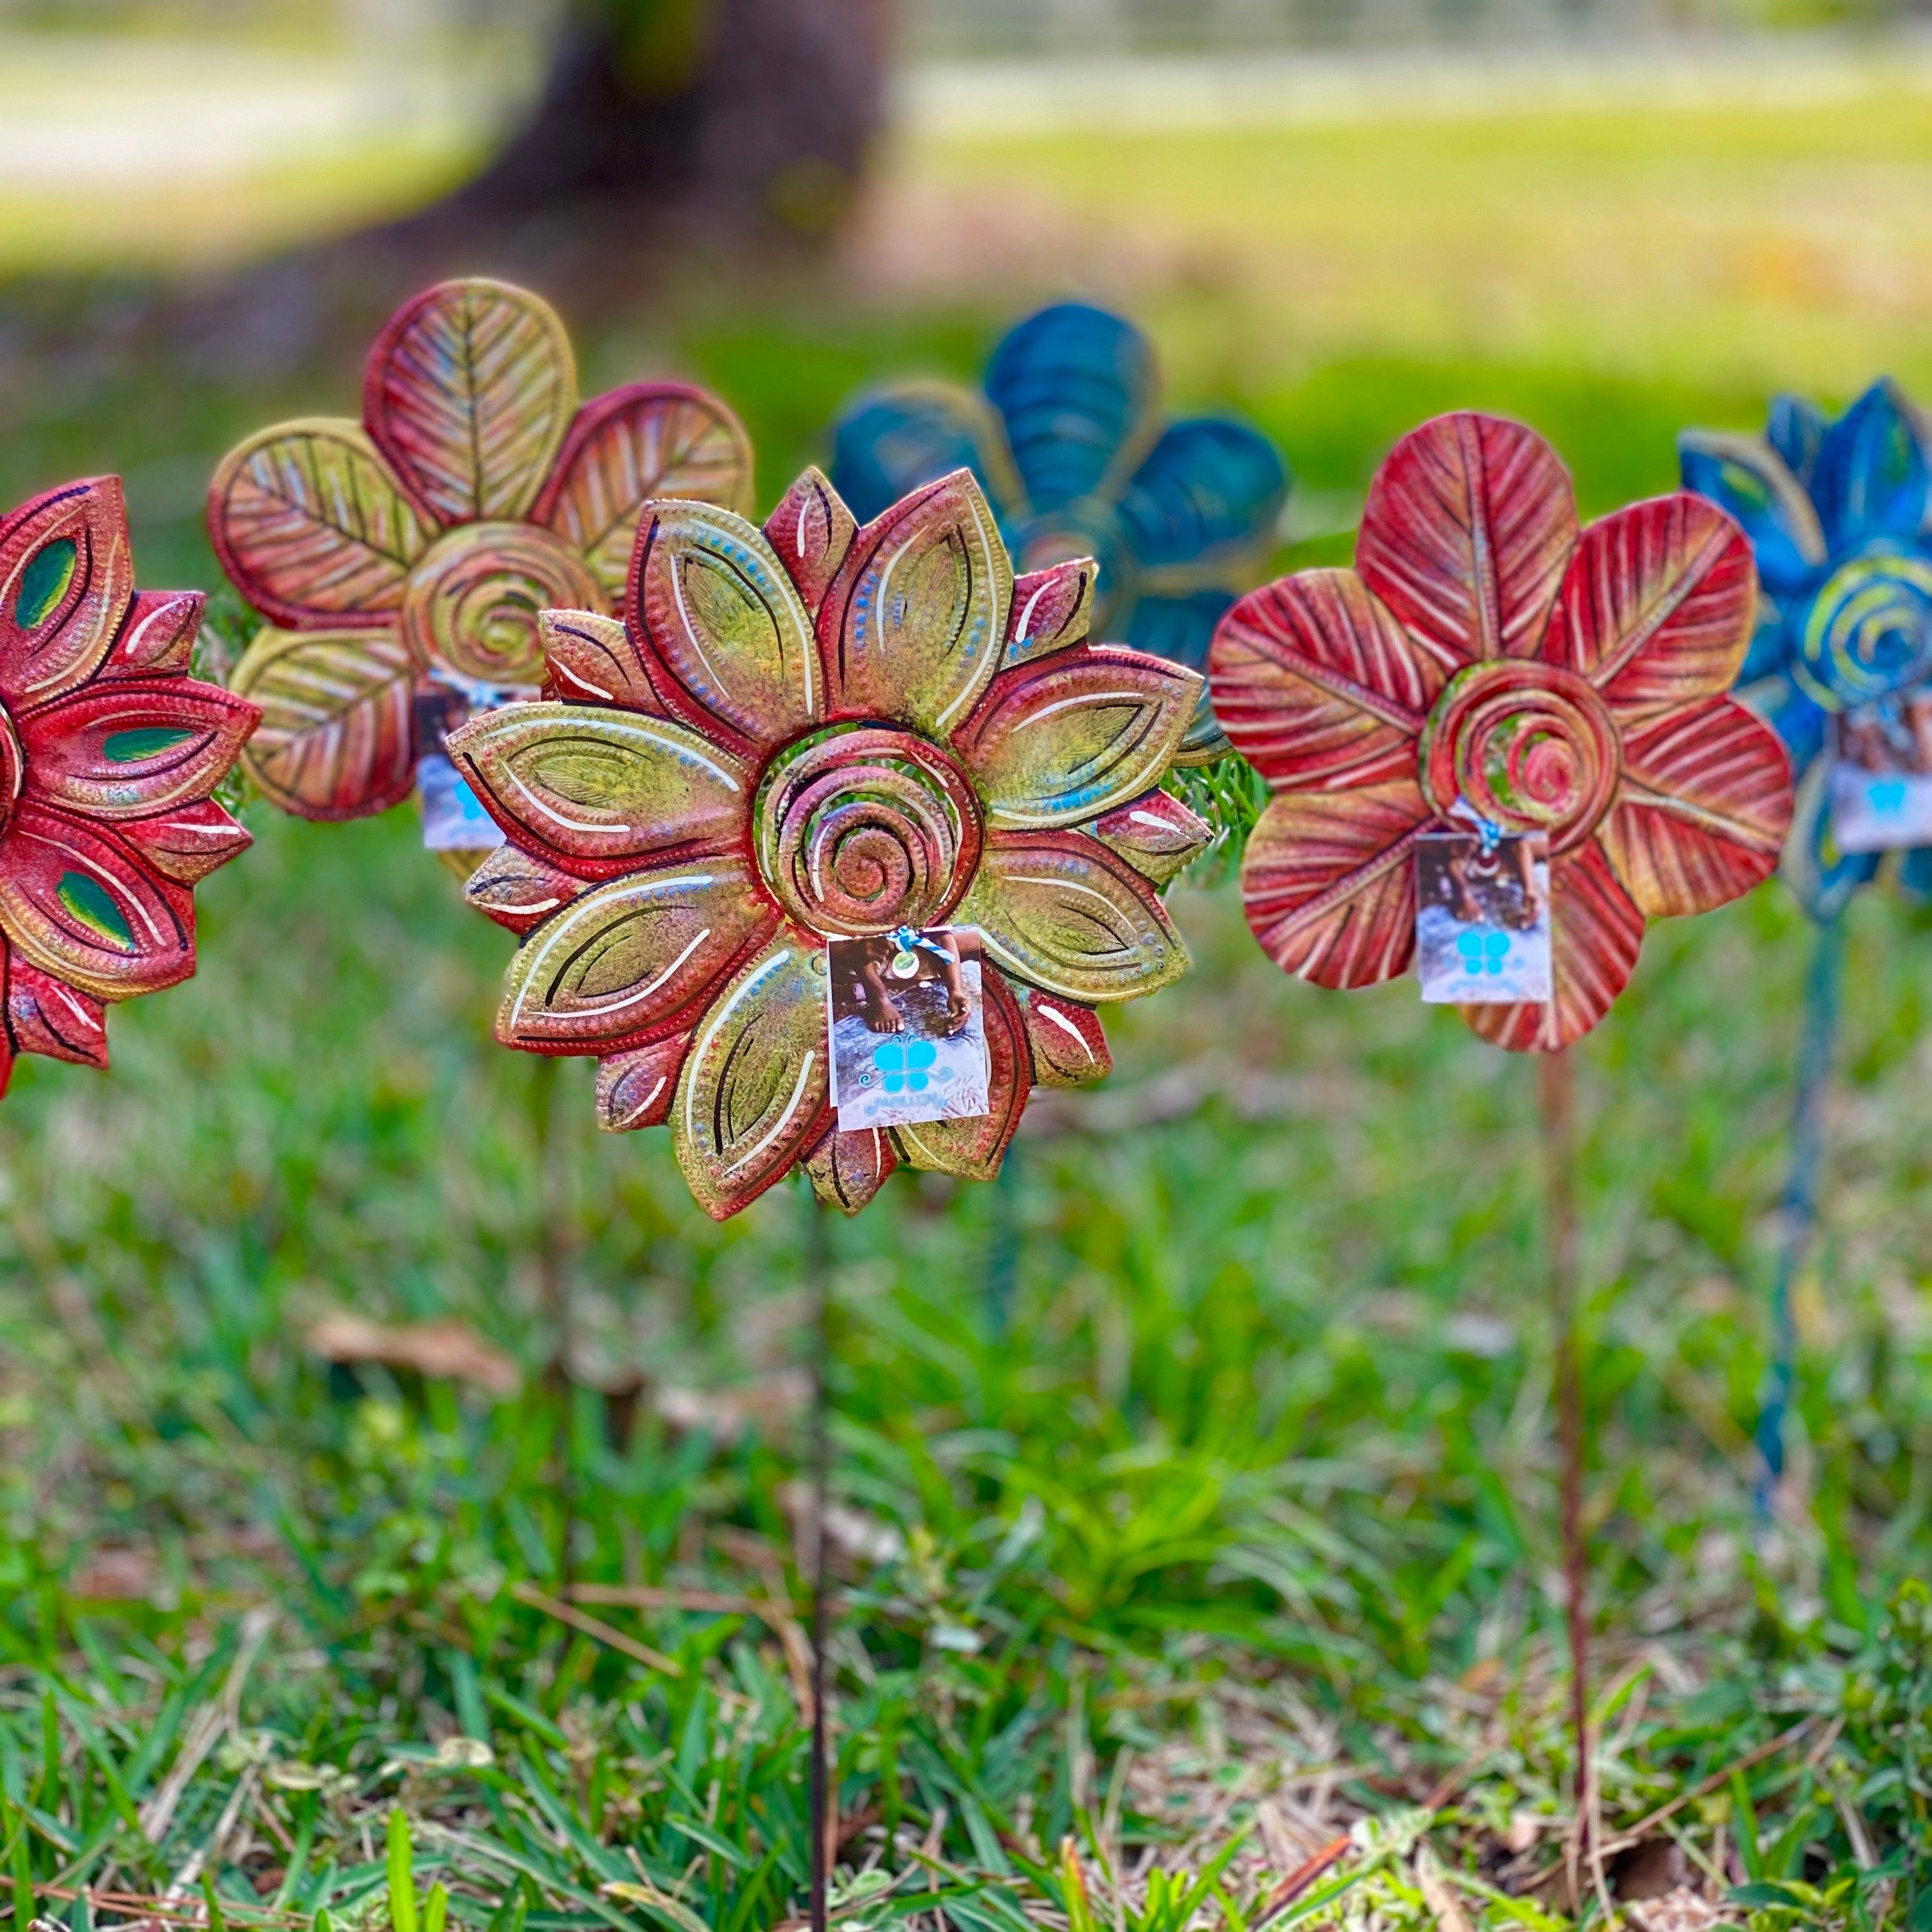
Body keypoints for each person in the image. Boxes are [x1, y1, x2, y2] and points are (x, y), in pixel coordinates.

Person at [840, 928, 971, 1038]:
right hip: (866, 948)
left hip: (913, 945)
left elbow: (941, 934)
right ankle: (875, 991)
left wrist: (956, 990)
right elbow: (863, 948)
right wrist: (881, 999)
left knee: (972, 942)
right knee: (857, 950)